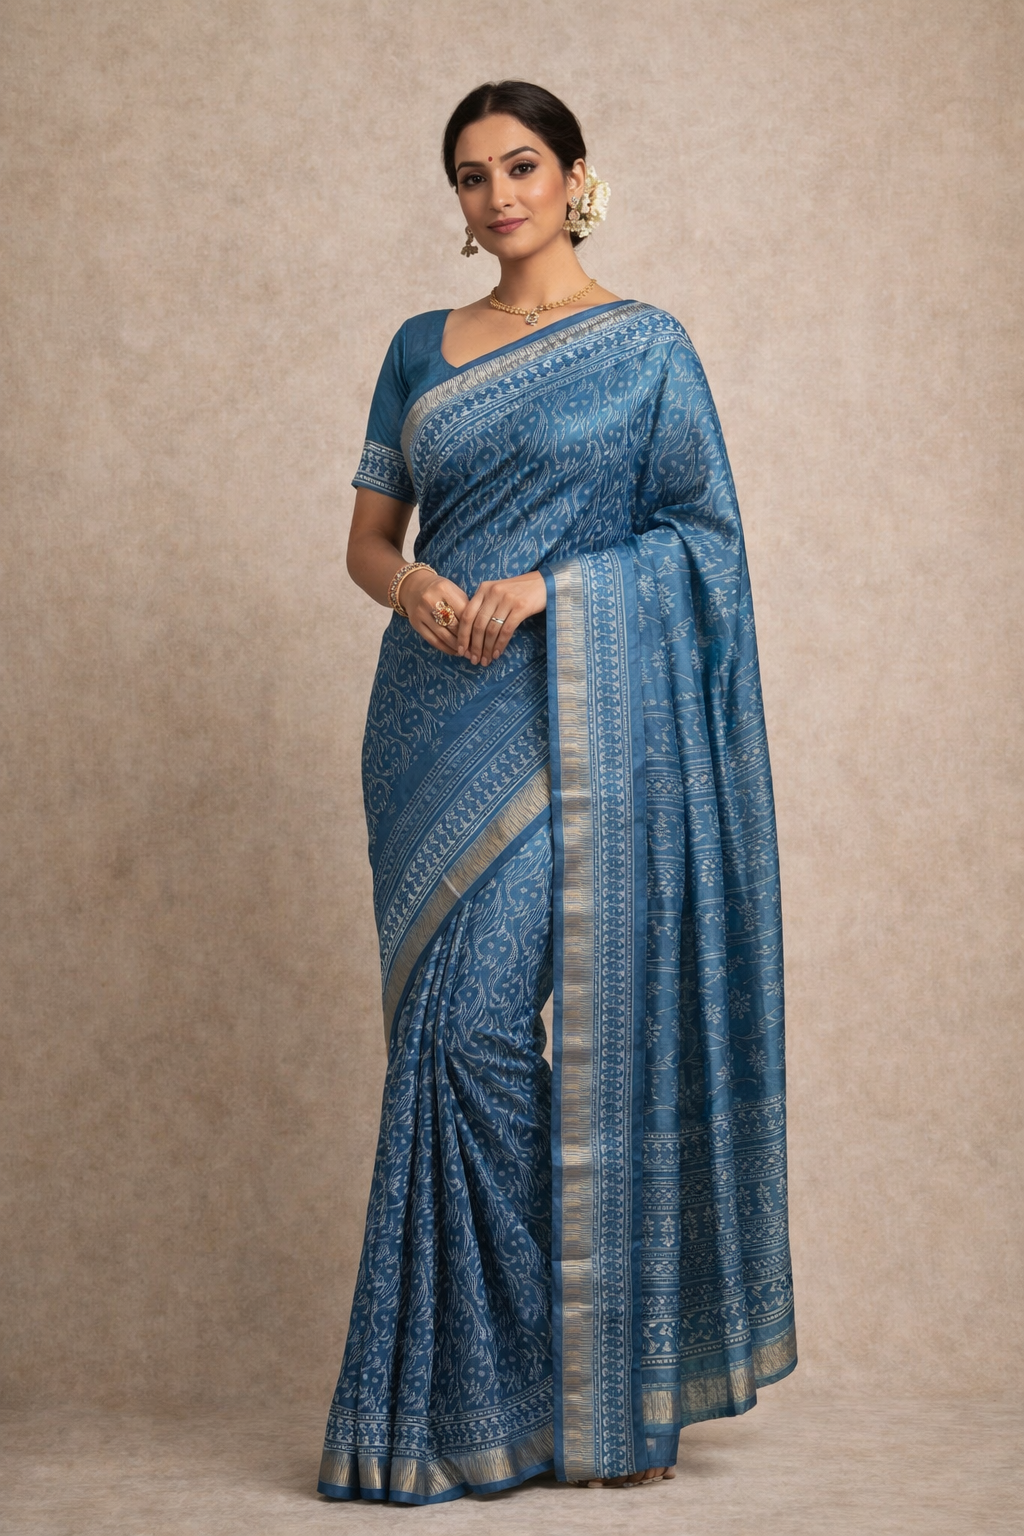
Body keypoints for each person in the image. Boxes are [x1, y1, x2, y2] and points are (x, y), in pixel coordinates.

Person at [316, 79, 797, 1506]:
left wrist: (550, 589)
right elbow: (369, 540)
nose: (498, 195)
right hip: (426, 723)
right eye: (471, 177)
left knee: (478, 1032)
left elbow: (705, 544)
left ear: (576, 176)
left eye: (521, 166)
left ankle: (569, 1372)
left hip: (574, 717)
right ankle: (512, 1392)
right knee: (441, 1048)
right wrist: (413, 588)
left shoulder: (648, 349)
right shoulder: (419, 347)